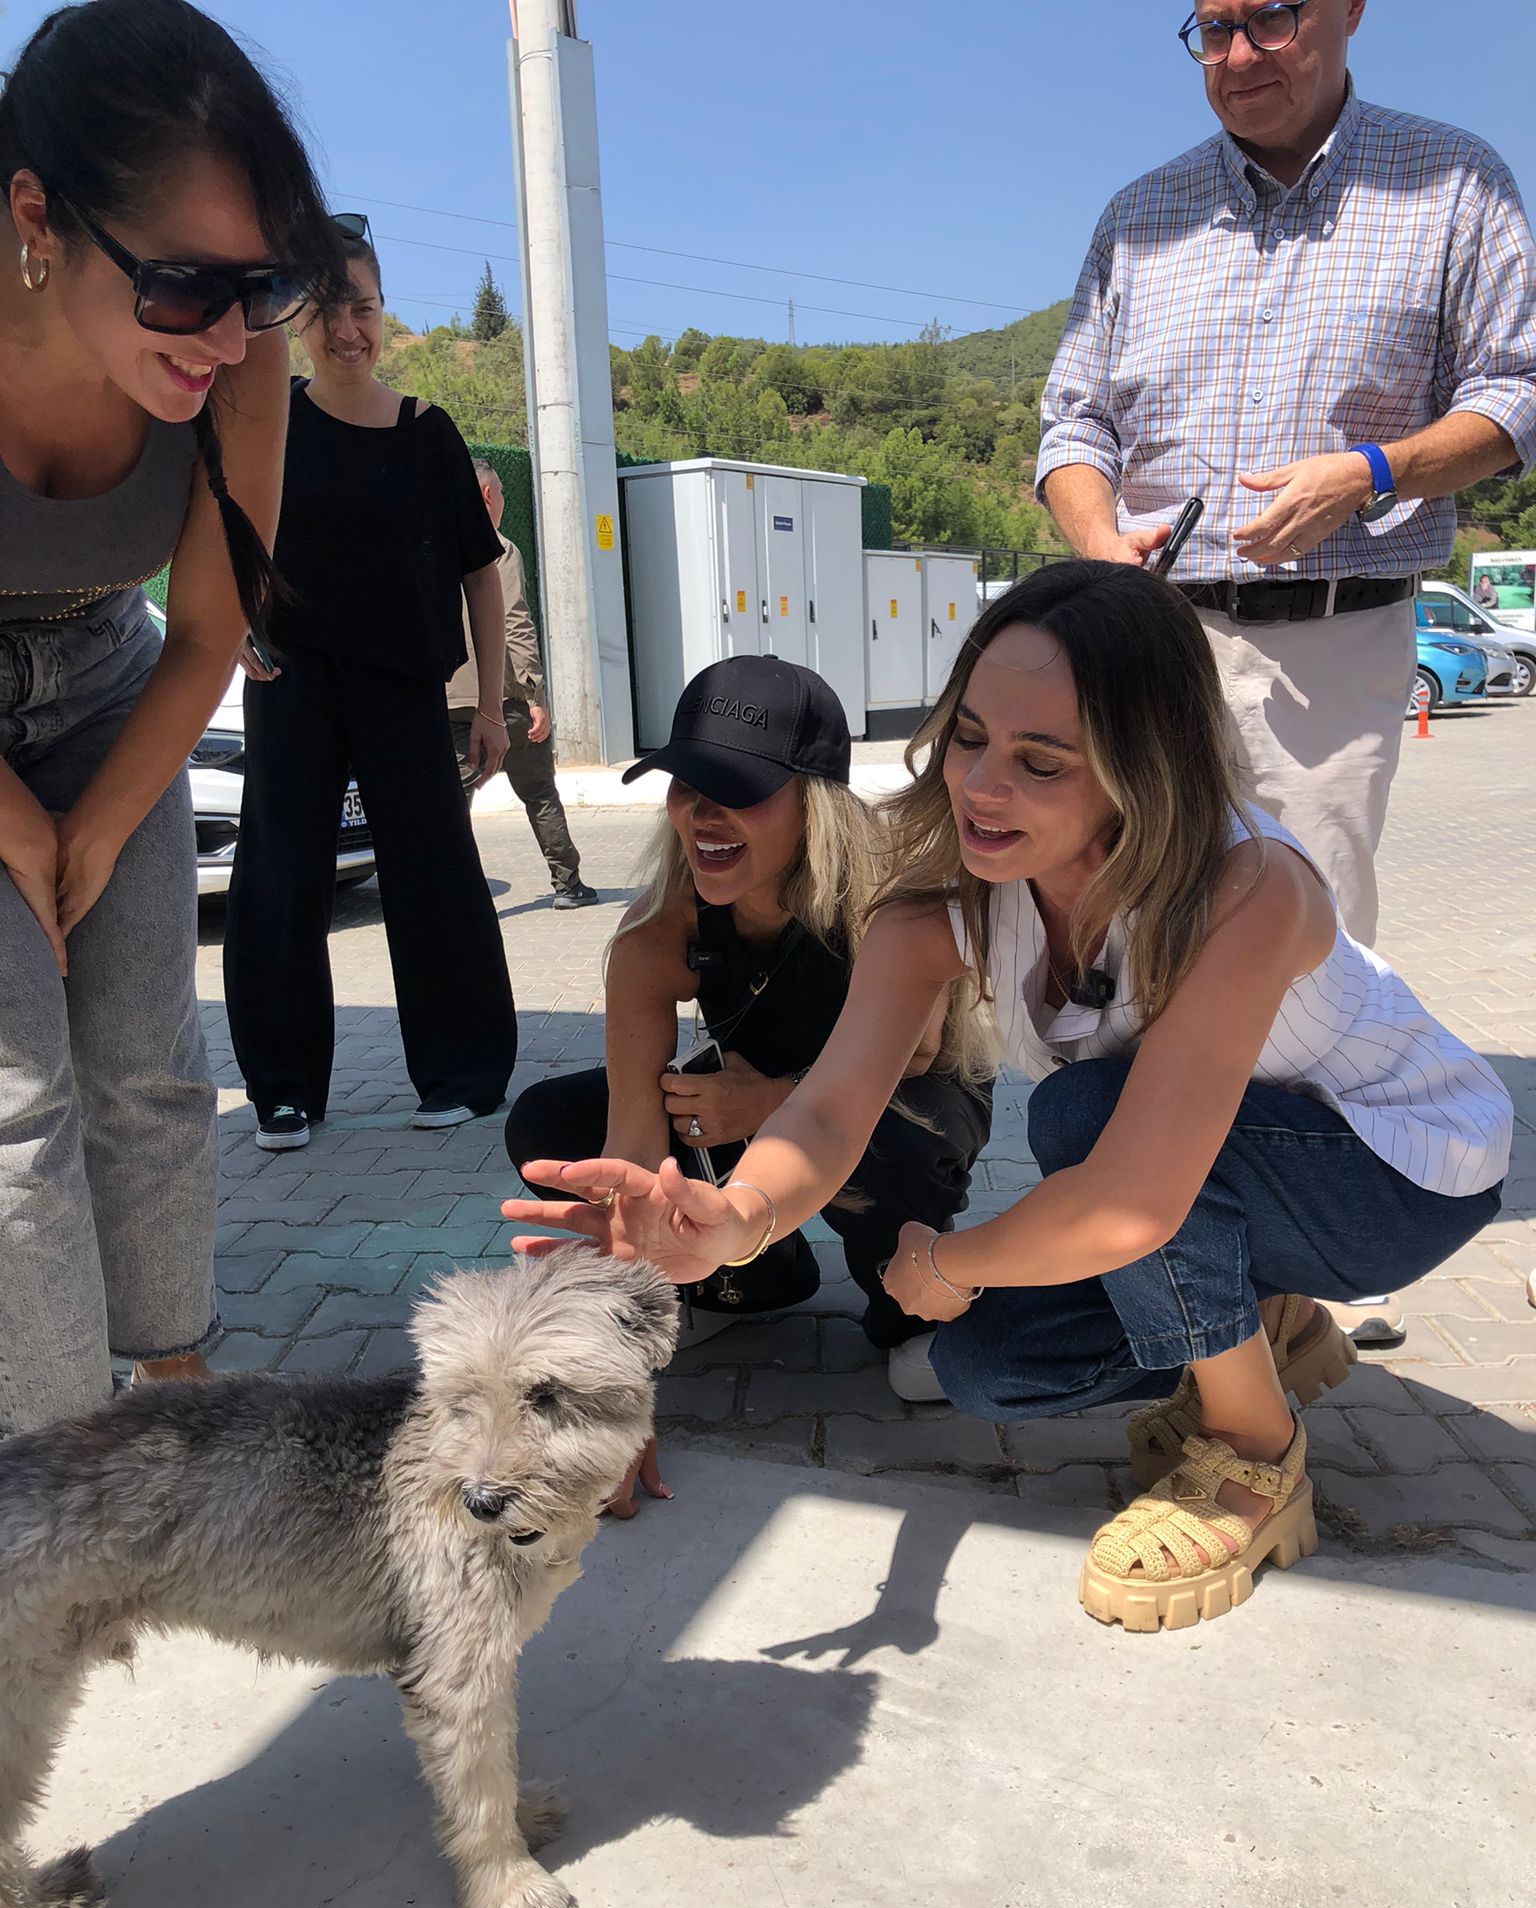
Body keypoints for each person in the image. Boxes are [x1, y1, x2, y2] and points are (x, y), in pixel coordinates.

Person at [504, 565, 1511, 1631]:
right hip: (1229, 1174)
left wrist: (948, 1259)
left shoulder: (1246, 887)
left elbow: (1130, 1204)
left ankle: (1257, 1455)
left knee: (1080, 1118)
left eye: (1040, 761)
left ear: (1142, 769)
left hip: (1399, 1175)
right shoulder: (942, 897)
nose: (982, 786)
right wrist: (735, 1222)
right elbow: (834, 1111)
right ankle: (1266, 1317)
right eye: (970, 737)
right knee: (986, 1367)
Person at [0, 0, 344, 1432]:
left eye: (262, 288)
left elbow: (209, 625)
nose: (227, 333)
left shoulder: (244, 348)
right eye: (185, 286)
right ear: (38, 216)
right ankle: (61, 1482)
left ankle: (178, 1405)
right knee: (17, 1113)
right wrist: (22, 829)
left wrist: (93, 828)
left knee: (146, 1057)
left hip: (105, 671)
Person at [1037, 0, 1536, 955]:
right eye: (1213, 31)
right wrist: (1100, 544)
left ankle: (1290, 1110)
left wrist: (1372, 471)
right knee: (1126, 940)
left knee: (1309, 952)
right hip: (1151, 646)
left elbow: (1517, 395)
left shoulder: (1455, 184)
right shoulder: (1140, 216)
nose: (1238, 55)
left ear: (1349, 10)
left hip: (1332, 649)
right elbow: (1075, 424)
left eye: (1269, 19)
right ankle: (1136, 1111)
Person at [503, 653, 993, 1511]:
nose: (702, 810)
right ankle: (744, 1278)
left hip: (904, 1102)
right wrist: (613, 1379)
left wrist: (762, 1105)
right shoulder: (659, 931)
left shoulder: (889, 900)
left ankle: (904, 1303)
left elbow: (911, 1063)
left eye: (737, 786)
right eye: (685, 781)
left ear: (818, 800)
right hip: (742, 1102)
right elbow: (628, 1151)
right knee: (553, 1127)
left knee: (894, 1158)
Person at [223, 234, 518, 1149]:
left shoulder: (428, 430)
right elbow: (225, 536)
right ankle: (282, 1089)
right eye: (327, 309)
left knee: (434, 876)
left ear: (384, 313)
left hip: (402, 688)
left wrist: (496, 706)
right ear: (297, 317)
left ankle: (462, 1072)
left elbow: (480, 573)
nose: (348, 329)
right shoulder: (270, 416)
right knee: (280, 879)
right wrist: (231, 629)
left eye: (365, 308)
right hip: (292, 679)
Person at [446, 459, 597, 910]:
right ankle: (568, 884)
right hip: (503, 699)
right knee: (539, 792)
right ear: (489, 497)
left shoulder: (432, 547)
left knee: (454, 802)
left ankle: (455, 895)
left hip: (448, 698)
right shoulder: (498, 549)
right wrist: (534, 696)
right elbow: (515, 622)